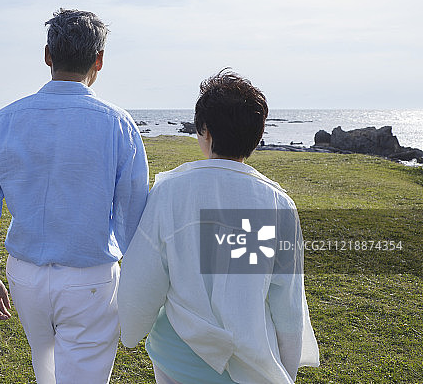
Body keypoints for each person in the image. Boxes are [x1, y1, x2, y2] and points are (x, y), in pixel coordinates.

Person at [0, 8, 150, 384]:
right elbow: (133, 217)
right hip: (92, 278)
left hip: (26, 276)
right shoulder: (118, 124)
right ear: (99, 60)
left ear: (48, 56)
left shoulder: (5, 121)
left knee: (45, 371)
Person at [118, 70, 319, 384]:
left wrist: (131, 330)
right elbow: (287, 305)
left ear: (205, 130)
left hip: (176, 355)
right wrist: (287, 368)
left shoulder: (170, 191)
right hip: (247, 362)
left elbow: (145, 275)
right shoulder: (276, 204)